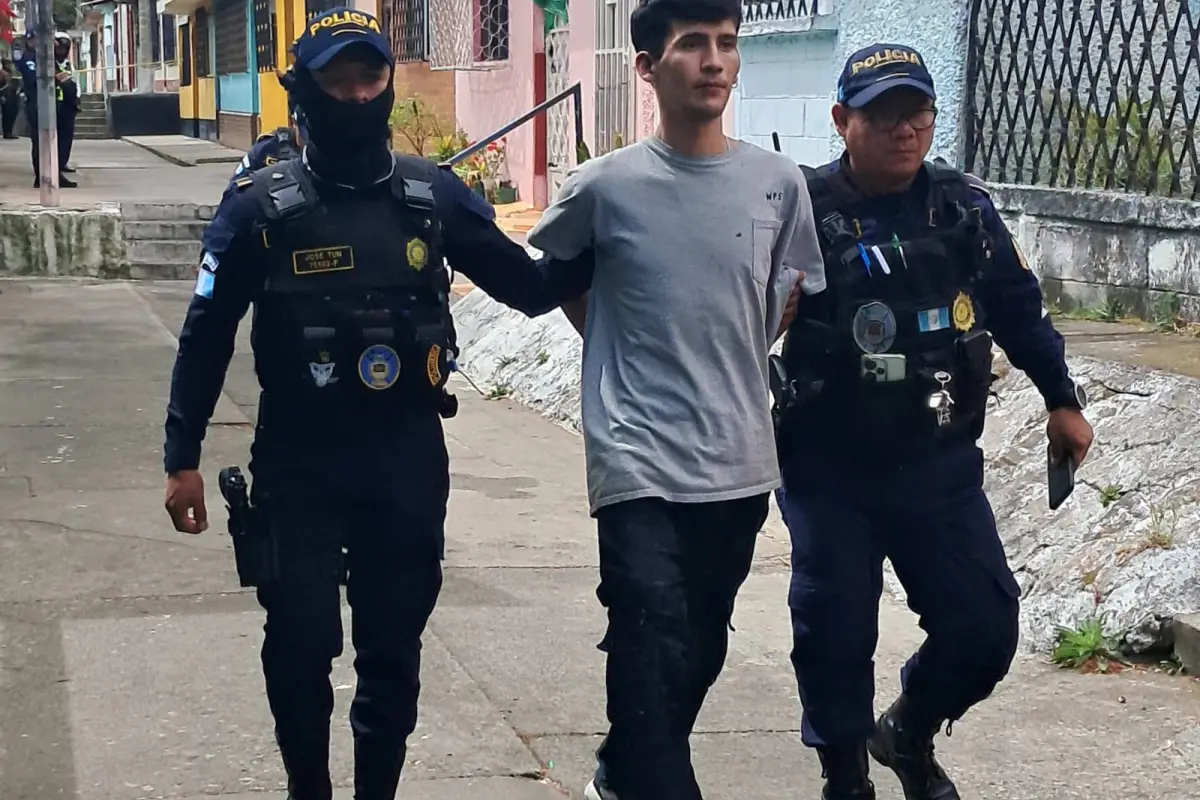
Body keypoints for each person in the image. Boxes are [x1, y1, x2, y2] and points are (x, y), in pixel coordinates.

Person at [160, 8, 591, 799]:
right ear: (304, 88)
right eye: (337, 78)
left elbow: (530, 288)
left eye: (371, 75)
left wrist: (608, 225)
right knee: (298, 645)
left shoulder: (434, 197)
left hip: (405, 461)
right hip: (299, 462)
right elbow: (206, 332)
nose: (357, 94)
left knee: (392, 651)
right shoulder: (259, 206)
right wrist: (180, 458)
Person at [771, 43, 1094, 800]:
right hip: (830, 467)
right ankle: (843, 772)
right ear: (842, 120)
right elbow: (743, 316)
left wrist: (1062, 399)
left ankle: (908, 732)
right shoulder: (801, 210)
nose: (904, 130)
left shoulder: (963, 206)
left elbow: (1017, 307)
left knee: (985, 626)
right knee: (836, 627)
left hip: (938, 462)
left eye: (916, 112)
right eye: (883, 114)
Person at [525, 0, 823, 797]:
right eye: (693, 45)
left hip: (738, 458)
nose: (715, 61)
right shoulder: (604, 187)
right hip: (636, 454)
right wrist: (619, 350)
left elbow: (782, 298)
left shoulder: (778, 184)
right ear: (649, 68)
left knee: (699, 644)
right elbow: (561, 278)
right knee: (649, 628)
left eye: (727, 44)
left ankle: (623, 770)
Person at [16, 30, 77, 188]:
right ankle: (41, 177)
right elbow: (34, 79)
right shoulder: (30, 58)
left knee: (55, 143)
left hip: (54, 105)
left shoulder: (45, 58)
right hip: (37, 105)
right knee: (40, 142)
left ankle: (55, 173)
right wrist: (55, 77)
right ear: (32, 41)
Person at [53, 32, 79, 174]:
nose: (61, 51)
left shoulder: (69, 65)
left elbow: (75, 82)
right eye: (59, 48)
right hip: (54, 105)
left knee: (66, 138)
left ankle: (63, 162)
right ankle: (52, 163)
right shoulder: (49, 64)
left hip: (68, 106)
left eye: (64, 49)